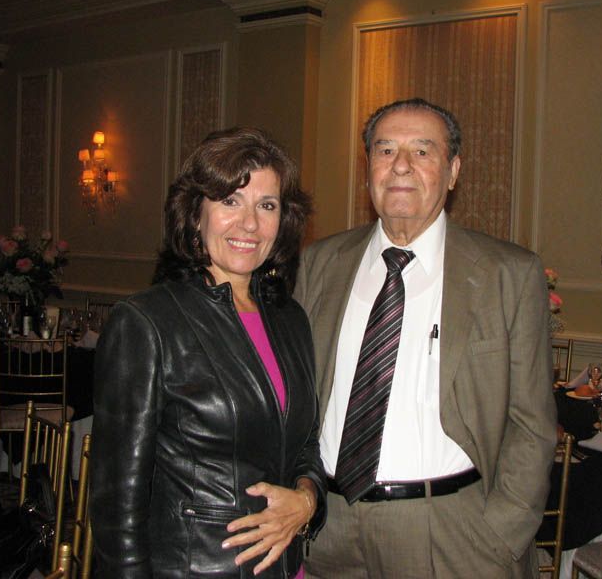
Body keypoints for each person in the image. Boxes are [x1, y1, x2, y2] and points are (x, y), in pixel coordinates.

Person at [294, 98, 557, 577]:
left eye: (422, 151)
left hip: (450, 533)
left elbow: (532, 424)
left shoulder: (507, 273)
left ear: (453, 170)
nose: (400, 166)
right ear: (368, 166)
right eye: (385, 149)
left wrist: (502, 533)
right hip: (328, 528)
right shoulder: (321, 263)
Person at [91, 127, 326, 578]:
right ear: (195, 213)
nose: (250, 223)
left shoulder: (289, 317)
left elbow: (307, 443)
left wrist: (307, 499)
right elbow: (117, 506)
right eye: (230, 201)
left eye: (267, 205)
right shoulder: (147, 322)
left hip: (285, 566)